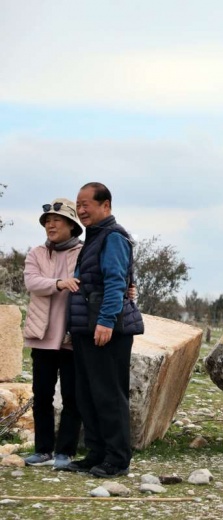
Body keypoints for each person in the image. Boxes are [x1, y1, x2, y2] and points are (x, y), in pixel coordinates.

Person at [60, 182, 143, 478]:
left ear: (105, 205)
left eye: (87, 204)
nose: (81, 210)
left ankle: (117, 459)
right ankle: (96, 453)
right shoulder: (94, 238)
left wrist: (106, 321)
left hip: (107, 328)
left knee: (109, 395)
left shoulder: (113, 237)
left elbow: (116, 282)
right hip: (85, 328)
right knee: (87, 394)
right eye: (78, 205)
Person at [22, 199, 84, 469]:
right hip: (42, 336)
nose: (50, 224)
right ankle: (43, 449)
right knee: (42, 394)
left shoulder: (84, 252)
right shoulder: (36, 253)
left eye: (57, 220)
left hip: (72, 337)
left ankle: (65, 452)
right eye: (47, 220)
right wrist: (59, 283)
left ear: (71, 225)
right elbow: (31, 282)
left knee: (72, 397)